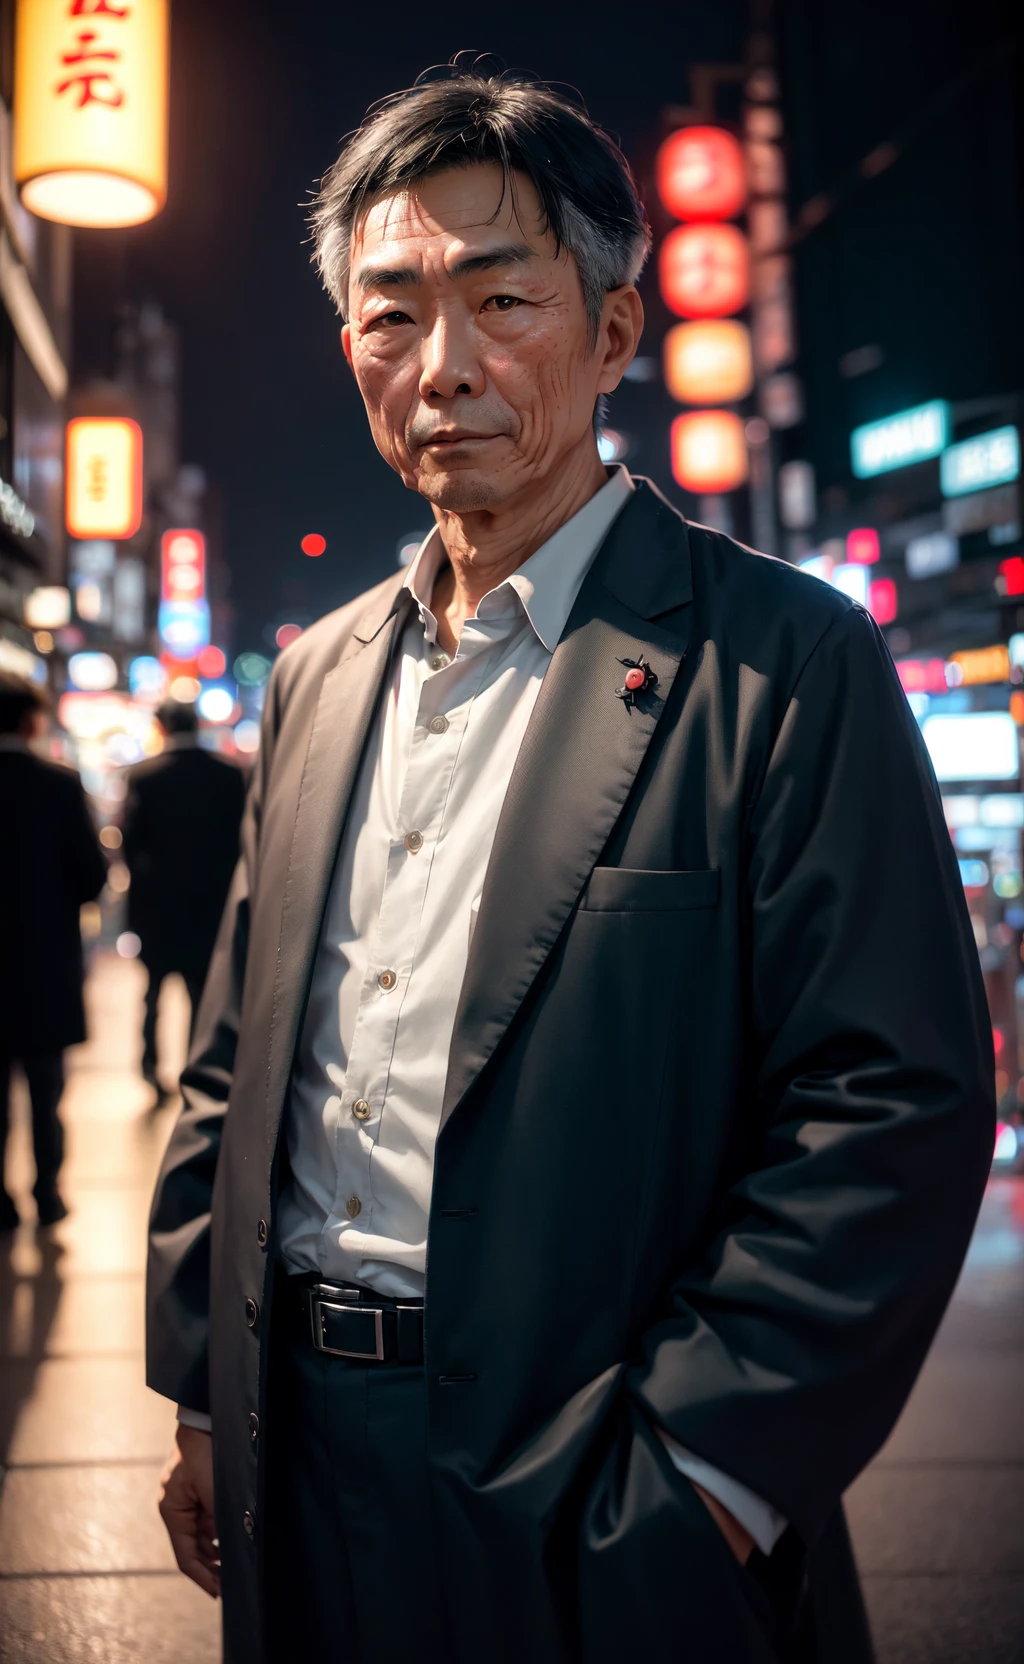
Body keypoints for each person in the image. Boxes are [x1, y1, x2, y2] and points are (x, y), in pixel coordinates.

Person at [147, 70, 994, 1664]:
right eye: (392, 315)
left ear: (613, 335)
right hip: (296, 1449)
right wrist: (202, 1382)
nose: (445, 364)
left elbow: (893, 1097)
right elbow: (239, 1056)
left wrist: (707, 1474)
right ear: (352, 356)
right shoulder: (317, 673)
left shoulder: (784, 659)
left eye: (504, 301)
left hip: (599, 1465)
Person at [0, 671, 107, 1229]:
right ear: (32, 720)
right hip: (44, 964)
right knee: (46, 1092)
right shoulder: (60, 785)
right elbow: (92, 877)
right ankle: (47, 1193)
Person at [122, 698, 245, 1097]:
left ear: (161, 728)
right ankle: (197, 1069)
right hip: (211, 906)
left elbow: (131, 845)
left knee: (153, 993)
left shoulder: (143, 776)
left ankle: (149, 1067)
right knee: (203, 996)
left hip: (156, 908)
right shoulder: (228, 775)